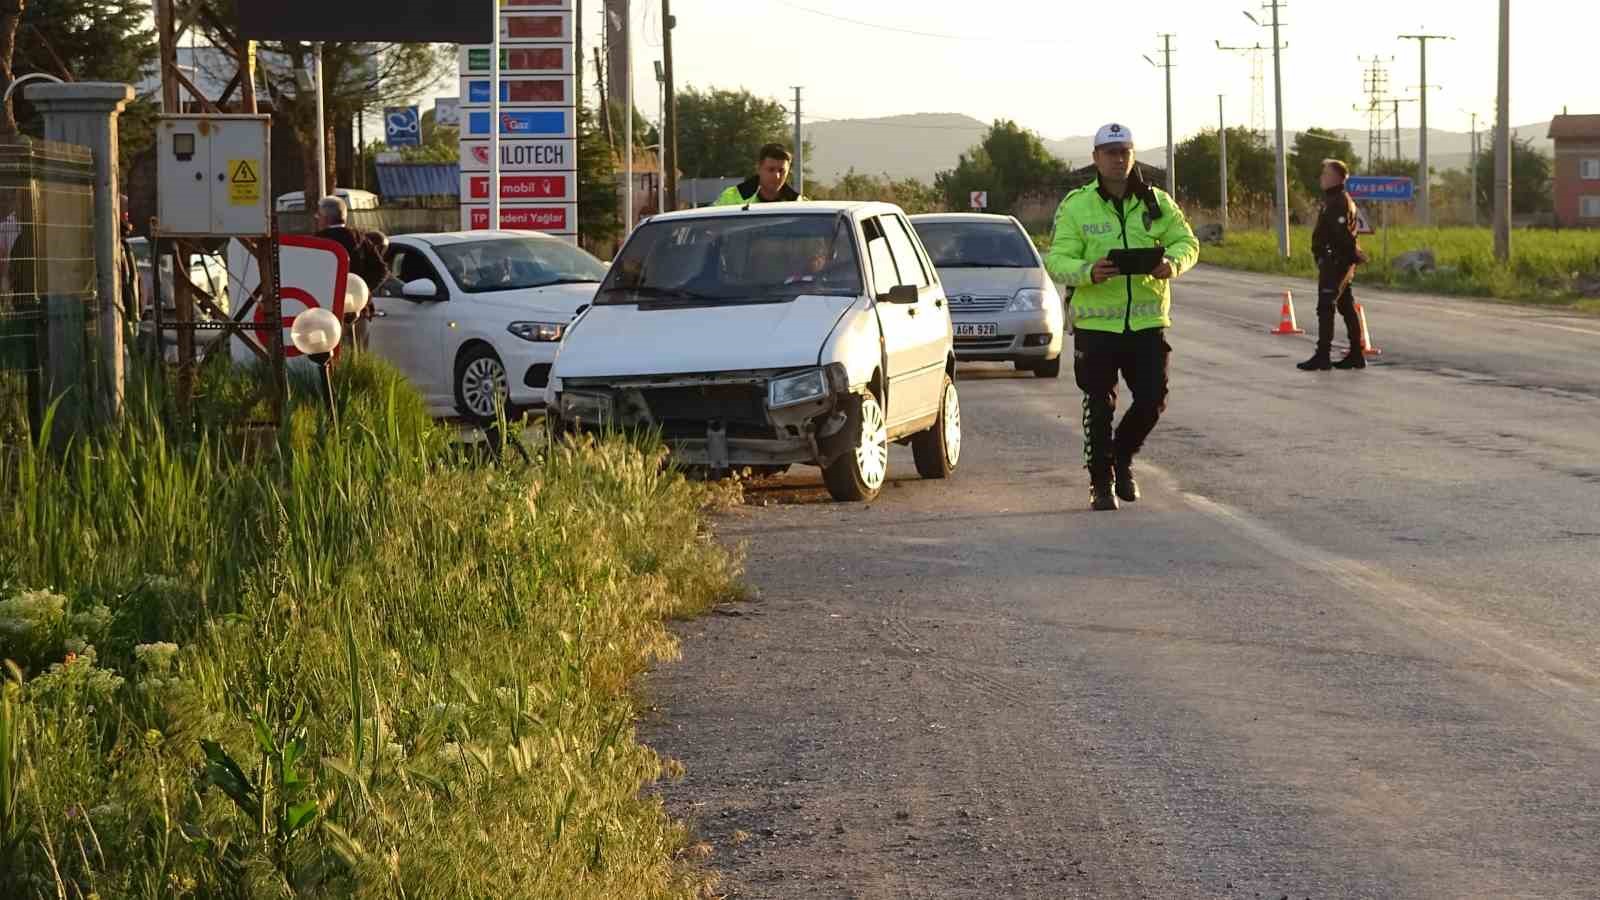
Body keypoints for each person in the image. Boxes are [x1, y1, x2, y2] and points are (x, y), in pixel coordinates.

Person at [1045, 123, 1199, 512]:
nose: (1118, 159)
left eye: (1124, 152)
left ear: (1133, 156)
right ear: (1096, 158)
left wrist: (1172, 263)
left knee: (1152, 399)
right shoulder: (1077, 205)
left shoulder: (1157, 202)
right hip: (1097, 325)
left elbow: (1187, 242)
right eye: (1110, 153)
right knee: (1099, 405)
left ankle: (1121, 457)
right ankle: (1101, 483)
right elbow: (1057, 259)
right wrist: (1088, 271)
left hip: (1146, 323)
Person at [1299, 159, 1369, 371]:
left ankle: (1323, 355)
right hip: (1337, 261)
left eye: (1326, 173)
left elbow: (1342, 235)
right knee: (1345, 305)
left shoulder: (1338, 201)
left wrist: (1342, 257)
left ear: (1336, 177)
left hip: (1336, 262)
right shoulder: (1334, 199)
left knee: (1326, 307)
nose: (1322, 177)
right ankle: (1356, 354)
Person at [713, 143, 805, 206]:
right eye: (771, 170)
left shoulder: (798, 203)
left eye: (781, 171)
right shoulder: (731, 198)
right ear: (758, 168)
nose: (776, 176)